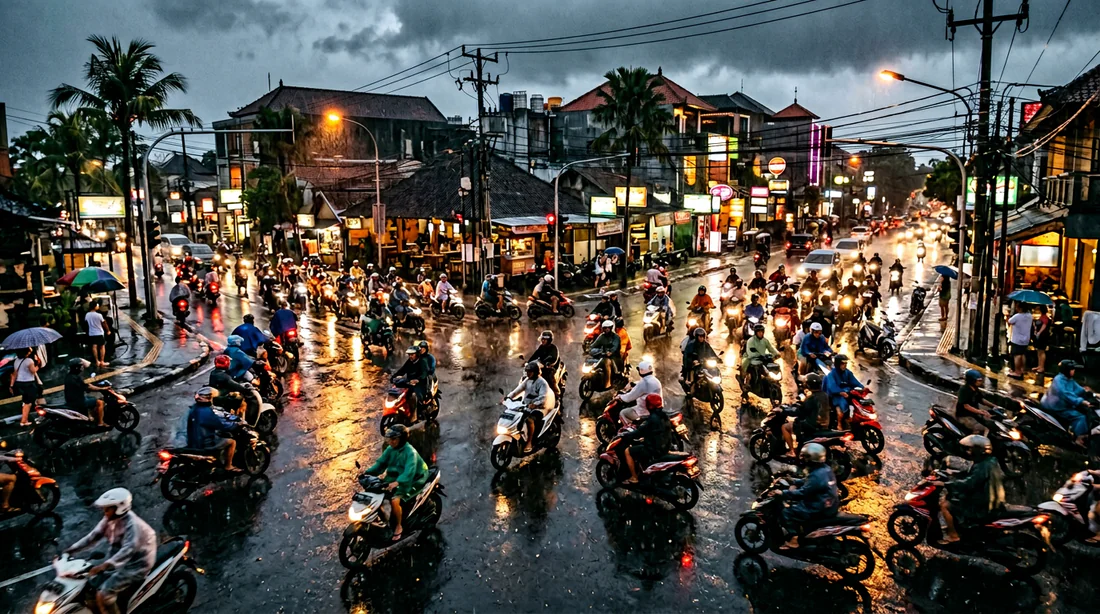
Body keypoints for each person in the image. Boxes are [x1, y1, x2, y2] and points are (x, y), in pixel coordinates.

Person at [63, 488, 157, 614]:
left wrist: (103, 566)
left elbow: (127, 550)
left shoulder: (133, 525)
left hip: (137, 565)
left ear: (119, 508)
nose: (104, 512)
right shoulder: (109, 520)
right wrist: (70, 550)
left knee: (104, 594)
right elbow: (92, 537)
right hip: (118, 562)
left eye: (108, 509)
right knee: (89, 586)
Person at [363, 424, 430, 542]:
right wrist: (367, 473)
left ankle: (399, 526)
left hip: (414, 478)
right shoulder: (390, 449)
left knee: (395, 499)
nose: (391, 441)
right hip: (394, 478)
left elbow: (409, 472)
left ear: (401, 439)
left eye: (394, 439)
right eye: (390, 439)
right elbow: (380, 464)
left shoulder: (410, 453)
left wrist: (397, 482)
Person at [939, 435, 1004, 543]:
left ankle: (953, 535)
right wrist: (956, 474)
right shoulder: (990, 461)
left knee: (945, 505)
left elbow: (968, 484)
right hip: (993, 499)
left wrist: (945, 483)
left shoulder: (982, 466)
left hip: (982, 505)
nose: (968, 452)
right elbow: (973, 475)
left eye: (970, 449)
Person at [780, 443, 839, 548]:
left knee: (787, 512)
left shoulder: (816, 475)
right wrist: (793, 481)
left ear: (812, 459)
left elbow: (803, 492)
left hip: (818, 507)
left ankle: (794, 539)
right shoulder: (825, 469)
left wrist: (783, 493)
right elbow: (809, 482)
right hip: (830, 504)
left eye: (806, 457)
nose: (803, 459)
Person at [620, 394, 673, 484]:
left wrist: (626, 435)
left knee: (627, 451)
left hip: (654, 449)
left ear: (649, 406)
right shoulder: (664, 415)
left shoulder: (652, 419)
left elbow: (639, 433)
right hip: (665, 447)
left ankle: (634, 477)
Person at [1041, 360, 1095, 447]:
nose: (1074, 371)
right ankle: (1079, 438)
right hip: (1056, 407)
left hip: (1062, 404)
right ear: (1067, 370)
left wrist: (1093, 394)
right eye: (1072, 369)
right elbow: (1066, 394)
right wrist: (1082, 401)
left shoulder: (1068, 379)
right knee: (1080, 417)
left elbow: (1079, 389)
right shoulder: (1059, 380)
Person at [506, 361, 556, 451]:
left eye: (530, 371)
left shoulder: (542, 383)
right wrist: (508, 397)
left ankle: (529, 442)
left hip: (541, 407)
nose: (528, 373)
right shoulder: (527, 380)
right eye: (527, 371)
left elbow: (543, 398)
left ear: (535, 372)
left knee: (529, 420)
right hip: (527, 405)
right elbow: (518, 390)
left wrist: (535, 404)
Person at [185, 387, 240, 471]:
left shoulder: (194, 408)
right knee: (231, 442)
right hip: (204, 443)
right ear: (209, 398)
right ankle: (228, 466)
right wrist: (235, 424)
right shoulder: (207, 412)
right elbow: (223, 426)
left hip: (193, 440)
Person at [782, 374, 831, 456]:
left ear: (807, 385)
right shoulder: (824, 395)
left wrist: (784, 410)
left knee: (785, 427)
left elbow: (800, 411)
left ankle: (792, 451)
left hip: (812, 425)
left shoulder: (812, 398)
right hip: (824, 424)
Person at [740, 323, 779, 402]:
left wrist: (777, 354)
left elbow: (771, 348)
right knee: (751, 374)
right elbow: (750, 352)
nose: (761, 333)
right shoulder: (751, 341)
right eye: (759, 332)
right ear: (756, 333)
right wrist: (759, 355)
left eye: (762, 332)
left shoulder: (765, 341)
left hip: (761, 359)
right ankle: (746, 389)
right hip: (750, 359)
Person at [65, 358, 108, 427]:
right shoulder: (75, 378)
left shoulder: (70, 376)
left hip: (72, 399)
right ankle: (101, 423)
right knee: (100, 402)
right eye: (81, 366)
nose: (82, 367)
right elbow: (88, 387)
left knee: (91, 398)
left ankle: (90, 416)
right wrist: (102, 389)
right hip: (79, 401)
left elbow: (86, 385)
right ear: (76, 367)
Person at [823, 354, 863, 425]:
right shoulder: (831, 375)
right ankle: (839, 424)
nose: (844, 365)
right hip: (837, 395)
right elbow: (832, 387)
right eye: (842, 364)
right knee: (841, 408)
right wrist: (841, 392)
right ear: (838, 364)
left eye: (845, 363)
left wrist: (863, 388)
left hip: (848, 393)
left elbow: (855, 382)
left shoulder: (847, 373)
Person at [955, 369, 997, 436]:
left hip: (974, 414)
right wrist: (980, 412)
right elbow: (966, 406)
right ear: (972, 380)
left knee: (991, 424)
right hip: (964, 416)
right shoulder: (964, 390)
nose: (980, 382)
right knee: (984, 429)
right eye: (979, 380)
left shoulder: (975, 389)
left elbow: (981, 400)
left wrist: (994, 406)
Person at [11, 346, 41, 426]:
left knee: (25, 401)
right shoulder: (29, 360)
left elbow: (15, 373)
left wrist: (11, 385)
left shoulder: (17, 360)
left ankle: (25, 418)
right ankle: (23, 421)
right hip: (28, 383)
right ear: (26, 352)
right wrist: (38, 363)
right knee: (29, 402)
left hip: (20, 382)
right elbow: (33, 371)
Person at [590, 320, 622, 389]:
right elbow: (594, 345)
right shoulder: (602, 336)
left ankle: (608, 383)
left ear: (611, 328)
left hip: (614, 357)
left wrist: (611, 352)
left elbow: (615, 346)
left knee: (607, 363)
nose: (607, 329)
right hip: (604, 355)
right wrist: (589, 349)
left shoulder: (616, 337)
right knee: (592, 363)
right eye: (605, 328)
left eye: (608, 328)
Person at [530, 330, 561, 396]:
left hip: (551, 367)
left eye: (545, 339)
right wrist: (528, 362)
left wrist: (549, 364)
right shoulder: (541, 347)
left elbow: (554, 358)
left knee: (549, 376)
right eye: (542, 339)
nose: (543, 341)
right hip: (542, 366)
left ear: (549, 340)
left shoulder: (553, 348)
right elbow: (535, 355)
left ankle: (556, 393)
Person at [1007, 303, 1033, 378]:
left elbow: (1010, 321)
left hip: (1017, 339)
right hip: (1026, 339)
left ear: (1020, 308)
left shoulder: (1017, 316)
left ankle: (1017, 372)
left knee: (1017, 355)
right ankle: (1022, 369)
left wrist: (1009, 315)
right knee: (1023, 354)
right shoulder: (1029, 316)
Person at [85, 300, 110, 369]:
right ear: (95, 306)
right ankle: (102, 361)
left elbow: (86, 323)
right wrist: (108, 331)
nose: (98, 306)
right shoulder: (99, 315)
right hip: (99, 332)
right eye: (97, 305)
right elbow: (104, 323)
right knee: (102, 346)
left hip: (91, 333)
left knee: (94, 346)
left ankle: (97, 361)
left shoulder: (87, 315)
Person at [1033, 305, 1051, 373]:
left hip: (1043, 336)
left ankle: (1042, 366)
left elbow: (1044, 325)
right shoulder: (1042, 317)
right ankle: (1039, 365)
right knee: (1039, 351)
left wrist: (1039, 332)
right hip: (1040, 335)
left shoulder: (1045, 318)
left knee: (1042, 351)